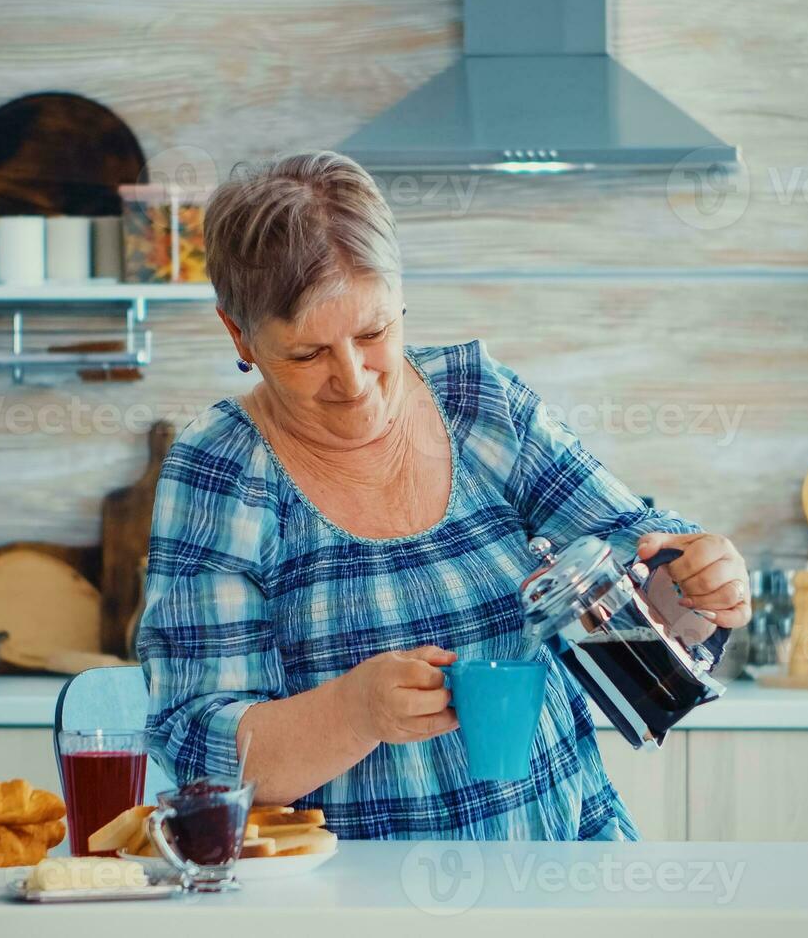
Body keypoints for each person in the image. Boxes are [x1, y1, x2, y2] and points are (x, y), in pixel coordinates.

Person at [137, 150, 749, 840]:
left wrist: (698, 580)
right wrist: (354, 711)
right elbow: (198, 750)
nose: (354, 379)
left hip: (572, 863)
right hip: (357, 907)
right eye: (307, 354)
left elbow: (630, 558)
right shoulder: (220, 470)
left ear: (401, 294)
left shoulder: (479, 399)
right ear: (237, 333)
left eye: (374, 333)